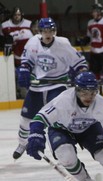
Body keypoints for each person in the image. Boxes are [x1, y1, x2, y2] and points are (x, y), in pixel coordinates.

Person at [12, 17, 88, 160]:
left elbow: (79, 62)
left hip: (57, 86)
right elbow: (26, 61)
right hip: (37, 87)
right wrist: (24, 70)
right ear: (39, 31)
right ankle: (22, 143)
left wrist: (81, 73)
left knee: (57, 118)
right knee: (25, 119)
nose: (48, 34)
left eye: (51, 30)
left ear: (55, 31)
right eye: (45, 31)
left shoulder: (63, 43)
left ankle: (60, 146)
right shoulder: (32, 42)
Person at [1, 7, 33, 98]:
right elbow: (2, 40)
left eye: (18, 15)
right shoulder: (4, 25)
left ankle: (25, 95)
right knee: (12, 77)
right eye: (15, 15)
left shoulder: (28, 25)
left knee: (25, 77)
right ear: (12, 15)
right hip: (11, 58)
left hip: (25, 57)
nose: (17, 17)